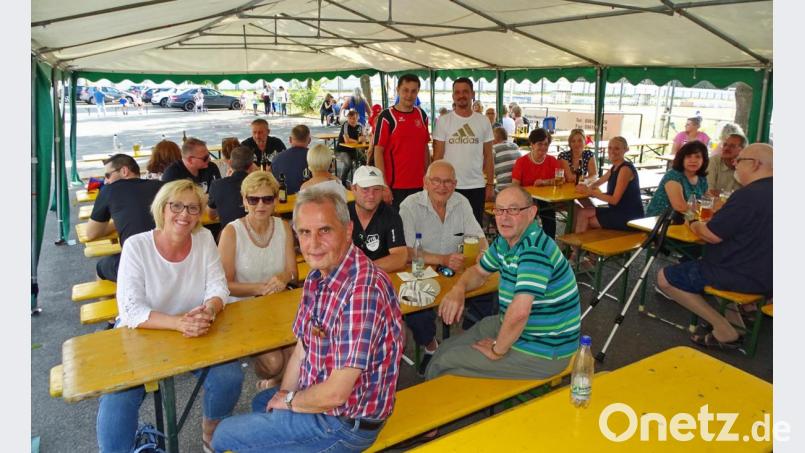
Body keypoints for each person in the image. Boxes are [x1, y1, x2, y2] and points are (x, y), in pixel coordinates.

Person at [212, 188, 404, 452]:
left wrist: (289, 402)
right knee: (263, 403)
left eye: (324, 230)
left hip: (345, 423)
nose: (313, 244)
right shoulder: (318, 276)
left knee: (223, 435)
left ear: (348, 231)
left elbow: (337, 393)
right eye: (304, 232)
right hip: (324, 399)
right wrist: (284, 397)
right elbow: (302, 350)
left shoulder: (362, 291)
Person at [97, 180, 243, 453]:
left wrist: (208, 310)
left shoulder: (203, 240)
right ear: (161, 209)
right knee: (118, 396)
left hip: (193, 326)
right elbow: (131, 311)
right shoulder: (137, 246)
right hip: (142, 329)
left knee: (229, 376)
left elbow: (218, 287)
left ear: (200, 213)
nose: (184, 214)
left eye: (192, 208)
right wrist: (179, 322)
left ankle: (211, 432)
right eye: (176, 206)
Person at [428, 185, 580, 379]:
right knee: (445, 348)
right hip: (517, 326)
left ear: (532, 212)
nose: (504, 217)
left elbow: (519, 313)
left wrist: (497, 350)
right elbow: (479, 272)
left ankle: (438, 403)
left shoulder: (534, 250)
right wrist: (459, 288)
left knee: (444, 363)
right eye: (499, 210)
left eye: (513, 210)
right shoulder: (505, 241)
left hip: (544, 348)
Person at [657, 144, 773, 349]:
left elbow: (711, 235)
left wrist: (694, 223)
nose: (735, 164)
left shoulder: (748, 196)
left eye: (740, 160)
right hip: (768, 274)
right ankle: (735, 324)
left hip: (741, 273)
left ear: (755, 164)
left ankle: (723, 330)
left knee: (665, 278)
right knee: (706, 262)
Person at [399, 161, 488, 375]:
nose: (442, 186)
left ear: (455, 184)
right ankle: (431, 347)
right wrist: (442, 259)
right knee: (415, 311)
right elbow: (406, 252)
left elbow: (479, 237)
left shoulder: (462, 203)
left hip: (455, 273)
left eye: (448, 181)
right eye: (436, 181)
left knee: (489, 294)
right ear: (425, 183)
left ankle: (467, 342)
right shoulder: (409, 206)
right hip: (420, 271)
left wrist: (484, 254)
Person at [218, 171, 298, 388]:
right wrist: (260, 289)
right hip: (245, 309)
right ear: (244, 201)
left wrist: (284, 276)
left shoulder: (283, 227)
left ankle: (279, 388)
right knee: (274, 362)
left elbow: (293, 273)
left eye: (267, 199)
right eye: (253, 199)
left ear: (275, 201)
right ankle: (272, 379)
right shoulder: (231, 232)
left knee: (297, 352)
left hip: (278, 305)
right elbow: (223, 285)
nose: (260, 205)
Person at [86, 154, 163, 282]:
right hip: (172, 257)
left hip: (136, 263)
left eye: (107, 175)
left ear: (124, 171)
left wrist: (117, 222)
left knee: (100, 268)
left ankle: (113, 300)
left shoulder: (109, 190)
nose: (106, 181)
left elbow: (91, 233)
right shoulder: (163, 186)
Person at [432, 77, 495, 225]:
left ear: (472, 94)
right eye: (457, 92)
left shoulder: (483, 121)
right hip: (448, 186)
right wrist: (434, 184)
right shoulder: (443, 121)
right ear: (453, 96)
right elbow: (438, 157)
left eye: (465, 91)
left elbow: (489, 156)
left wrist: (490, 185)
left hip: (476, 186)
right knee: (448, 228)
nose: (461, 95)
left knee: (474, 231)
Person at [373, 74, 432, 209]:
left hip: (419, 185)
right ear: (398, 89)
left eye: (413, 91)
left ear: (418, 92)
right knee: (397, 228)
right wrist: (383, 185)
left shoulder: (422, 115)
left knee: (418, 228)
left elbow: (424, 148)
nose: (409, 95)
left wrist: (428, 176)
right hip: (395, 188)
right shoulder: (387, 116)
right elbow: (378, 151)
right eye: (405, 90)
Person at [573, 137, 644, 234]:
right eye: (610, 148)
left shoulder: (625, 169)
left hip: (629, 216)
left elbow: (614, 200)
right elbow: (598, 182)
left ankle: (581, 248)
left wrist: (591, 192)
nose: (612, 151)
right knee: (582, 212)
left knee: (588, 221)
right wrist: (587, 187)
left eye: (617, 148)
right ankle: (579, 248)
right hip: (617, 211)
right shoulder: (615, 167)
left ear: (625, 150)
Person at [348, 166, 407, 273]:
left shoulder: (391, 215)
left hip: (379, 279)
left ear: (383, 191)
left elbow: (400, 258)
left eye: (376, 189)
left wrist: (362, 269)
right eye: (365, 189)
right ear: (353, 189)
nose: (371, 195)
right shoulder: (342, 214)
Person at [511, 128, 561, 238]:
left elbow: (560, 180)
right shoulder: (522, 162)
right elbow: (515, 185)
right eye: (540, 144)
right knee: (529, 214)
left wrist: (544, 182)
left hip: (547, 199)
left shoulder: (552, 160)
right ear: (532, 145)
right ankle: (527, 243)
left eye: (546, 144)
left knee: (549, 215)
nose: (543, 147)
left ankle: (549, 246)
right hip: (527, 199)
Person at [646, 141, 709, 217]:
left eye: (698, 157)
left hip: (687, 219)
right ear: (682, 159)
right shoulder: (673, 175)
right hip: (661, 221)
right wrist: (704, 208)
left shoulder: (702, 178)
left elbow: (707, 201)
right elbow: (680, 206)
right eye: (688, 156)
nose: (693, 160)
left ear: (703, 160)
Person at [208, 146, 257, 228]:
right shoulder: (259, 185)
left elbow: (211, 216)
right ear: (252, 166)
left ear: (230, 163)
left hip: (230, 234)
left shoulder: (216, 185)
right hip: (256, 233)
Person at [266, 124, 310, 195]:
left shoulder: (276, 158)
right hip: (307, 199)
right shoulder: (314, 158)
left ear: (290, 139)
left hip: (283, 199)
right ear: (309, 140)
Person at [335, 110, 365, 184]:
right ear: (347, 119)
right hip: (341, 151)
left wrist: (362, 138)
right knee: (348, 164)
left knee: (364, 160)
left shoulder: (360, 126)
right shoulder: (345, 125)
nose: (352, 120)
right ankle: (343, 183)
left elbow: (362, 137)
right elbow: (347, 140)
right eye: (350, 118)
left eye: (354, 118)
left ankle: (360, 180)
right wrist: (358, 141)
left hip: (353, 150)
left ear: (357, 118)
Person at [492, 127, 521, 194]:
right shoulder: (515, 146)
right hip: (518, 189)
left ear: (494, 139)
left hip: (502, 191)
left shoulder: (494, 148)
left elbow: (485, 169)